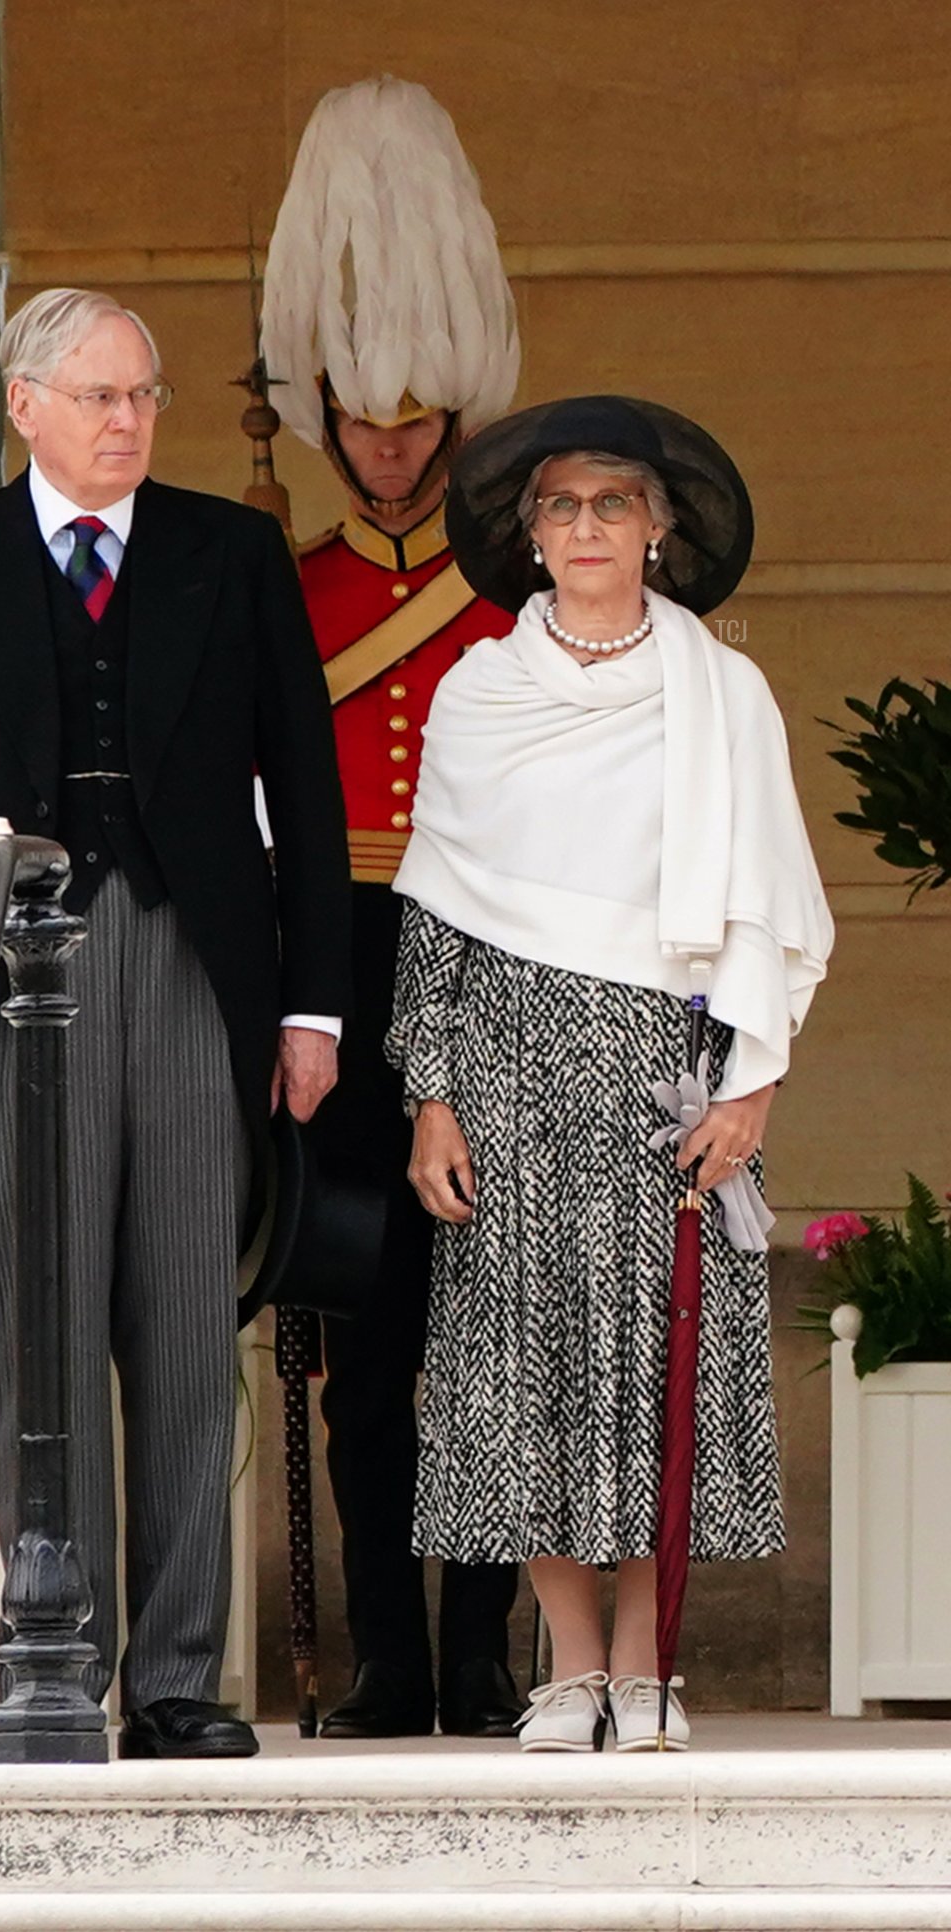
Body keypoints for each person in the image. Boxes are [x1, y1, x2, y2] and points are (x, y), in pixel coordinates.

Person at [0, 287, 351, 1760]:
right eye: (101, 397)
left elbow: (303, 787)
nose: (129, 422)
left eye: (146, 397)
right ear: (25, 405)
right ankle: (48, 1657)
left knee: (186, 1319)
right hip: (6, 973)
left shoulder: (232, 553)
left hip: (192, 961)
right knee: (37, 1323)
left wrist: (310, 1004)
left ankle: (181, 1678)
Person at [385, 394, 834, 1752]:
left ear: (660, 529)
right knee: (518, 1369)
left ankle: (648, 1660)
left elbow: (770, 902)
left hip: (665, 1072)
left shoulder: (724, 691)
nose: (587, 528)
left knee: (653, 1363)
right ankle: (570, 1663)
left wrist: (752, 1086)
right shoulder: (478, 690)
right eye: (561, 506)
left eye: (614, 504)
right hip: (507, 1067)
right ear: (530, 536)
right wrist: (430, 1096)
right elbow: (437, 907)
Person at [258, 77, 524, 1739]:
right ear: (327, 415)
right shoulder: (286, 590)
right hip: (340, 970)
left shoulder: (520, 590)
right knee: (362, 1332)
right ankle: (384, 1655)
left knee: (488, 1338)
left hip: (491, 955)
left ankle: (486, 1652)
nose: (394, 441)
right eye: (365, 417)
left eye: (419, 416)